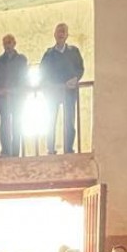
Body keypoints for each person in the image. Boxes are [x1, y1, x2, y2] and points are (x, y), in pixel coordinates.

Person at [40, 22, 84, 154]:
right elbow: (43, 72)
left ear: (67, 35)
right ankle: (51, 148)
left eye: (63, 31)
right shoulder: (48, 54)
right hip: (53, 93)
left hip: (69, 91)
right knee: (51, 120)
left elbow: (80, 68)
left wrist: (75, 79)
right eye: (58, 31)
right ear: (54, 34)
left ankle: (68, 149)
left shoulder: (74, 52)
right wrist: (49, 85)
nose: (60, 34)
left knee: (69, 121)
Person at [0, 33, 28, 157]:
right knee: (4, 123)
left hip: (17, 98)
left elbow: (23, 77)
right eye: (5, 43)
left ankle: (15, 152)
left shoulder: (21, 59)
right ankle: (6, 150)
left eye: (10, 42)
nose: (7, 45)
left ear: (14, 43)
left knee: (17, 124)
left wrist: (13, 90)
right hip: (2, 98)